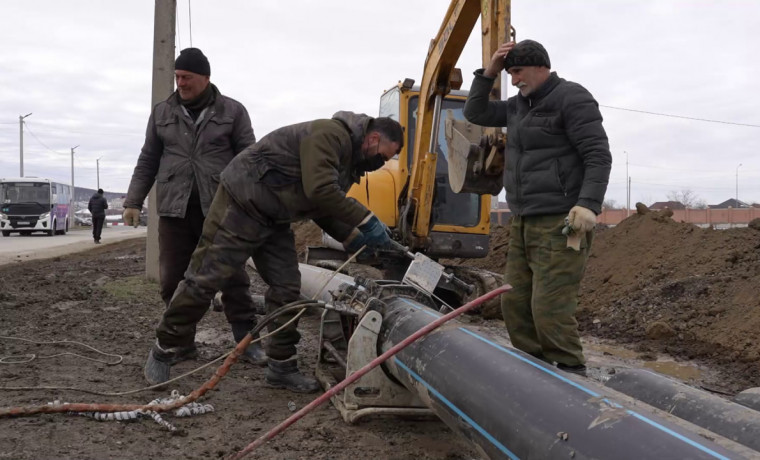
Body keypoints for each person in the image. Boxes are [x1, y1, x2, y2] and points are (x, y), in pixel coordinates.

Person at [143, 111, 404, 393]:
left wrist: (353, 238)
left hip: (274, 215)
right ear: (374, 137)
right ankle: (164, 347)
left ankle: (282, 366)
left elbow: (321, 206)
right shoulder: (331, 135)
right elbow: (320, 191)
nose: (380, 164)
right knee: (205, 278)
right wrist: (367, 220)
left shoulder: (349, 161)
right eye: (382, 156)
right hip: (242, 203)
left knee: (287, 286)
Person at [463, 39, 612, 375]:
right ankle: (536, 369)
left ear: (540, 66)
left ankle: (572, 370)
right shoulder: (517, 106)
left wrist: (588, 204)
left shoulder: (571, 98)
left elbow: (598, 155)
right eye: (510, 73)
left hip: (563, 221)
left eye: (517, 72)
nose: (513, 80)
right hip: (523, 219)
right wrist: (489, 72)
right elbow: (475, 112)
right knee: (514, 302)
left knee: (550, 306)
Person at [121, 48, 263, 365]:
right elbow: (148, 159)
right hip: (175, 209)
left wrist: (252, 202)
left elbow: (250, 158)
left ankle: (246, 342)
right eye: (177, 77)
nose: (180, 83)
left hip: (221, 208)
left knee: (234, 278)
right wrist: (133, 200)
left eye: (186, 77)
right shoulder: (162, 113)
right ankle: (182, 342)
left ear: (205, 78)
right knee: (172, 279)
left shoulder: (233, 111)